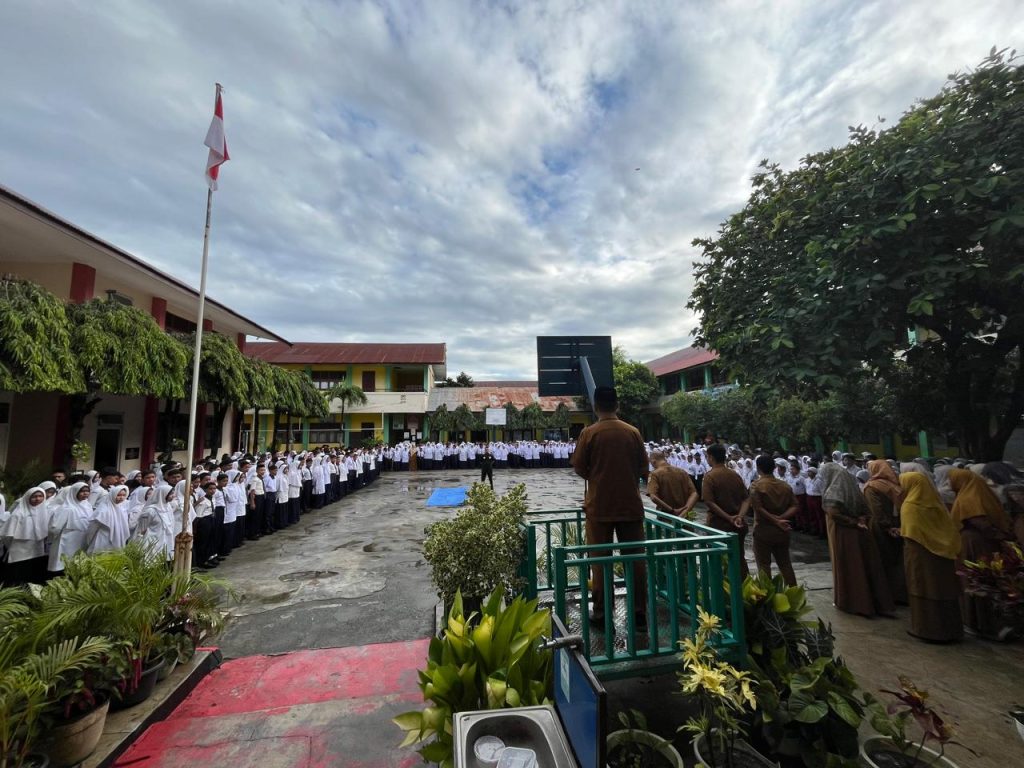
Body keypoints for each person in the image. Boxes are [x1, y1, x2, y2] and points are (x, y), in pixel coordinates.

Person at [571, 386, 649, 631]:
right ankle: (639, 615)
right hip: (630, 505)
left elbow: (579, 467)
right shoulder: (633, 432)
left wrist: (598, 477)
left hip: (599, 506)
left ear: (595, 407)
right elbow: (643, 468)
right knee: (635, 561)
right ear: (618, 405)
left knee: (600, 561)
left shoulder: (589, 433)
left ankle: (602, 614)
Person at [818, 463, 895, 618]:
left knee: (850, 567)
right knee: (863, 565)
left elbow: (833, 513)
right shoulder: (853, 489)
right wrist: (861, 520)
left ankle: (855, 602)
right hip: (861, 531)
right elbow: (867, 510)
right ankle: (871, 602)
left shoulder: (834, 490)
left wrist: (852, 522)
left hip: (844, 532)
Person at [948, 468, 1012, 639]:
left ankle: (979, 622)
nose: (950, 483)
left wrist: (996, 535)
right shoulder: (981, 492)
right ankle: (989, 622)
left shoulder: (968, 497)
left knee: (976, 580)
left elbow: (979, 521)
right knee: (986, 579)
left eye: (952, 479)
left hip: (974, 544)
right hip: (986, 543)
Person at [898, 473, 963, 643]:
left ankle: (927, 630)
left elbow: (911, 534)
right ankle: (951, 630)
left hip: (920, 557)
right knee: (943, 590)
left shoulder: (910, 506)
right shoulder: (935, 503)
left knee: (923, 588)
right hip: (943, 556)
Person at [700, 443, 751, 579]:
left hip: (718, 525)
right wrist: (739, 516)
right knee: (739, 557)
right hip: (738, 525)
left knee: (718, 559)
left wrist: (729, 518)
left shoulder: (709, 476)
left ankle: (723, 588)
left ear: (711, 457)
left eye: (707, 457)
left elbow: (709, 502)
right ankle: (743, 586)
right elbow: (746, 499)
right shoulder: (734, 474)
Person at [863, 460, 908, 605]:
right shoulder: (895, 485)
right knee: (897, 559)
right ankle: (901, 593)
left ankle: (886, 594)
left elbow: (876, 510)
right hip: (898, 525)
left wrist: (886, 526)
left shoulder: (871, 486)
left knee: (882, 559)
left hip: (881, 527)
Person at [748, 455, 798, 586]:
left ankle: (767, 594)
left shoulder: (756, 485)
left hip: (763, 529)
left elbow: (758, 508)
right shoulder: (785, 485)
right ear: (774, 468)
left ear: (758, 468)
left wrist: (776, 520)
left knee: (763, 565)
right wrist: (781, 518)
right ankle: (793, 592)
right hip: (782, 529)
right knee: (785, 564)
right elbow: (795, 506)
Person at [1, 486, 51, 585]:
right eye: (34, 496)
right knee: (18, 575)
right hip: (19, 552)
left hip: (37, 551)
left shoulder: (46, 512)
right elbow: (7, 536)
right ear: (28, 497)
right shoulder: (18, 514)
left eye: (40, 496)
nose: (37, 499)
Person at [47, 482, 93, 576]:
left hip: (82, 539)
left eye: (87, 491)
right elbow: (55, 527)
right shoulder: (66, 508)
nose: (85, 493)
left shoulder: (87, 506)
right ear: (75, 492)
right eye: (82, 491)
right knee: (64, 562)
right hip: (67, 540)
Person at [646, 450, 698, 519]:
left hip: (666, 516)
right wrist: (685, 511)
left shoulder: (654, 474)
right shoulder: (682, 472)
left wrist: (672, 510)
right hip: (684, 517)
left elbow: (653, 497)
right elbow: (694, 493)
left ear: (653, 461)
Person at [86, 485, 130, 554]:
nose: (121, 497)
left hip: (118, 537)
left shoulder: (122, 508)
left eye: (124, 495)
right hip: (103, 538)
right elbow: (93, 527)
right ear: (113, 495)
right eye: (118, 495)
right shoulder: (103, 509)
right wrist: (89, 540)